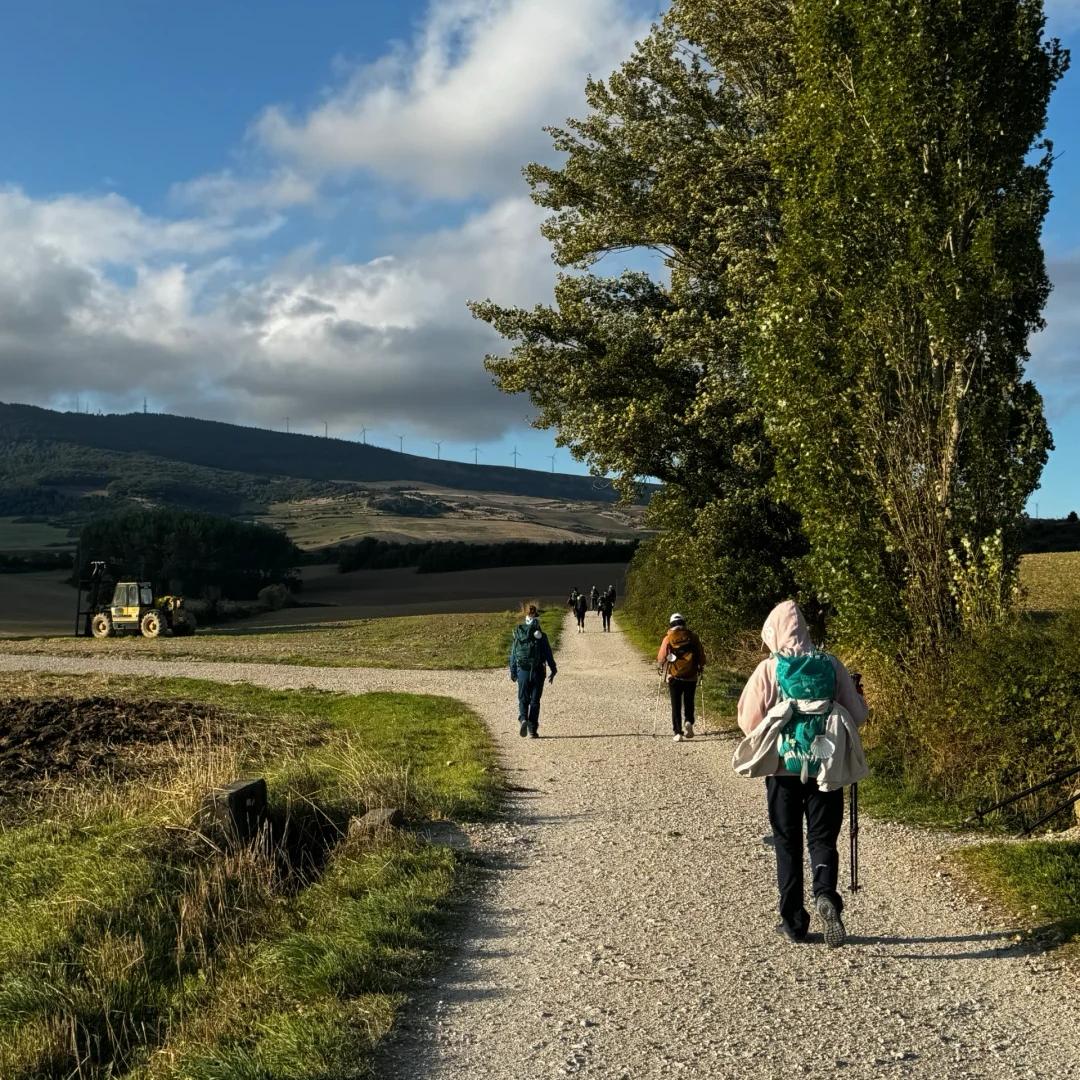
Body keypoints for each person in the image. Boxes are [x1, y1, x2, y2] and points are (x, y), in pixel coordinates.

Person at [733, 600, 868, 947]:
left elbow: (748, 722)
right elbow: (857, 715)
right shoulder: (831, 664)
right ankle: (825, 894)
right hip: (827, 768)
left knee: (787, 843)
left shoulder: (768, 669)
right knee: (822, 840)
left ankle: (793, 922)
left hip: (782, 771)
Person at [509, 603, 557, 738]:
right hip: (538, 672)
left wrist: (513, 672)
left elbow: (513, 655)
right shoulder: (542, 636)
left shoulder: (518, 634)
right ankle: (532, 730)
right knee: (535, 701)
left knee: (523, 699)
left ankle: (523, 719)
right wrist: (553, 670)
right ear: (537, 619)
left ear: (526, 618)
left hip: (522, 671)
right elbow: (548, 655)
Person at [656, 613, 706, 741]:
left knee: (676, 704)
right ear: (684, 623)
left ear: (671, 624)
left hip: (674, 676)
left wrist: (660, 666)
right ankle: (689, 721)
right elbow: (701, 655)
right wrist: (700, 666)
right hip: (691, 675)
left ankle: (678, 732)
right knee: (689, 701)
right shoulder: (693, 637)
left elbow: (661, 657)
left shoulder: (668, 638)